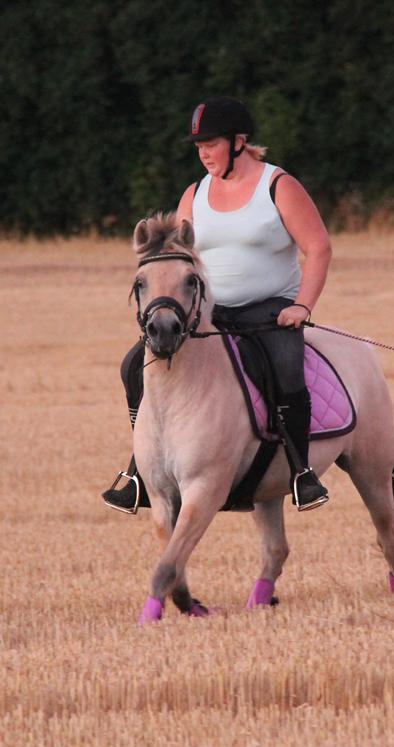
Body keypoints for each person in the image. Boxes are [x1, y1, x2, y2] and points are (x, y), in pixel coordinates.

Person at [103, 96, 332, 513]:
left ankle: (302, 473)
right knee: (134, 366)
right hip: (208, 314)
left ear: (239, 142)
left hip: (269, 310)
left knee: (285, 369)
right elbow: (179, 258)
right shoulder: (195, 193)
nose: (204, 153)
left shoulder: (278, 186)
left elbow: (318, 249)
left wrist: (302, 307)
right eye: (199, 147)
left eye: (211, 143)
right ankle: (139, 471)